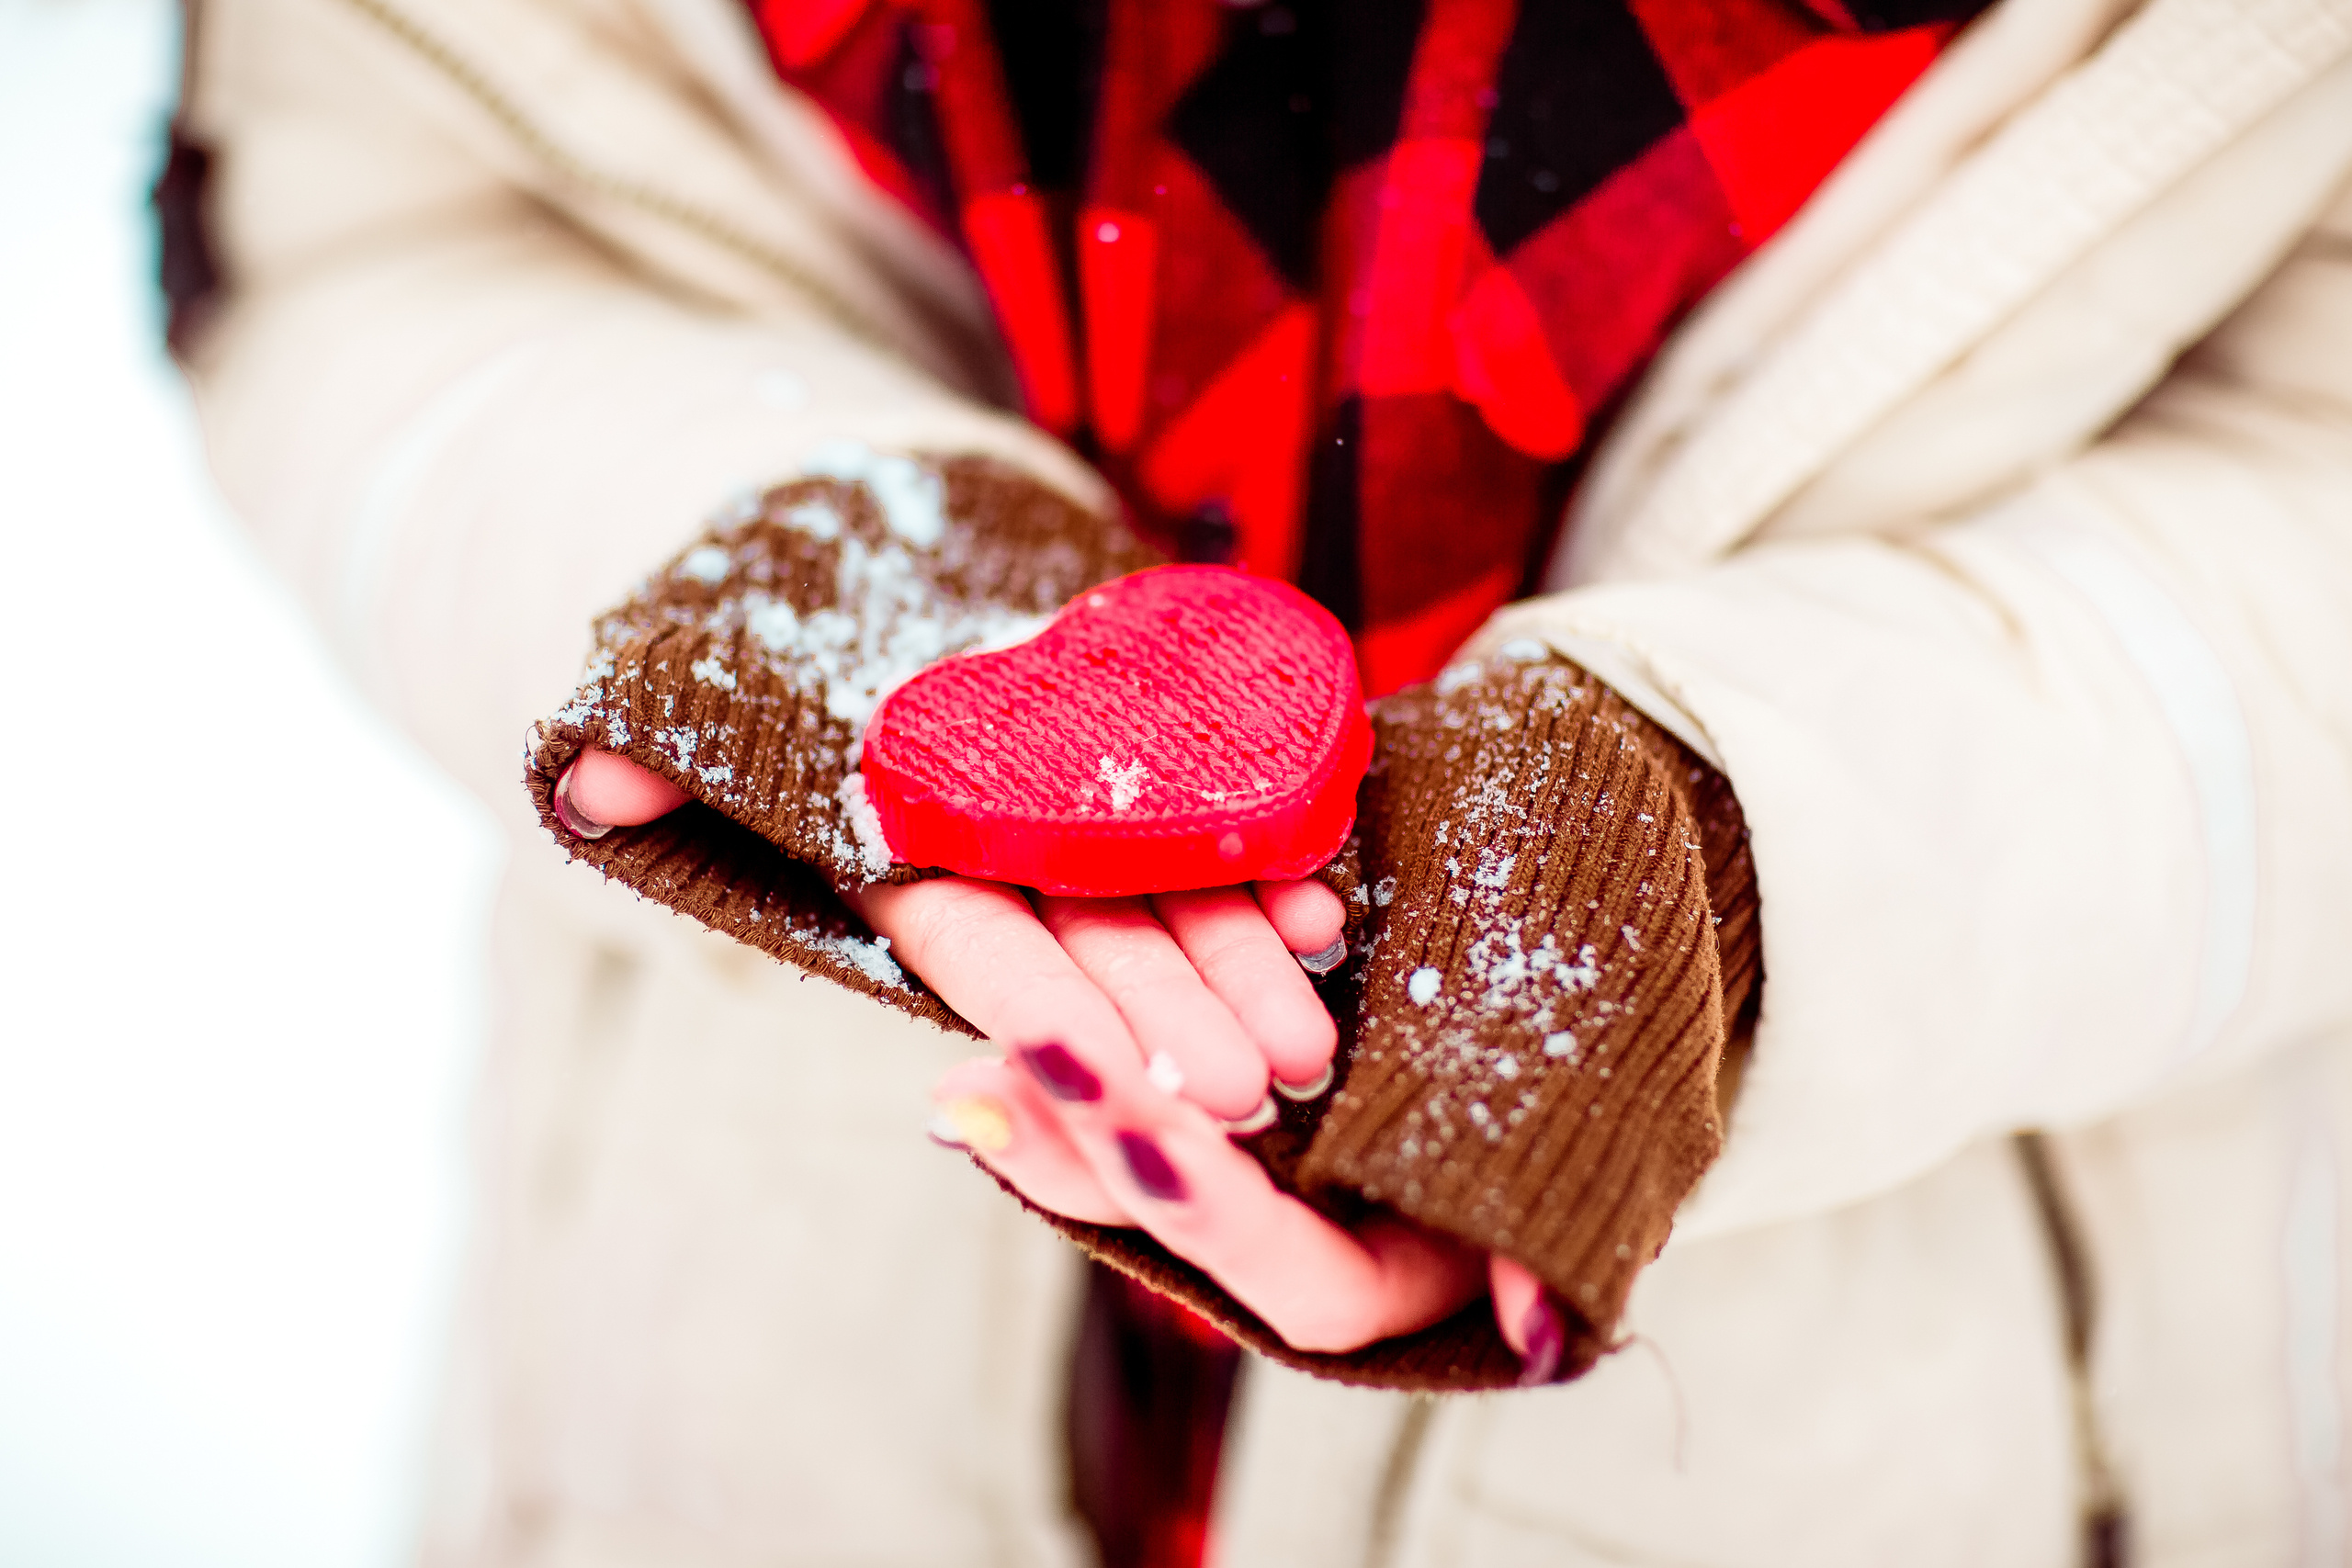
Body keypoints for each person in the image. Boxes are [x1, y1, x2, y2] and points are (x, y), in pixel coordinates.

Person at [165, 0, 2352, 1562]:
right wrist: (821, 571)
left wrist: (1707, 858)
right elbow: (381, 205)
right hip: (737, 1393)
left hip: (1906, 1434)